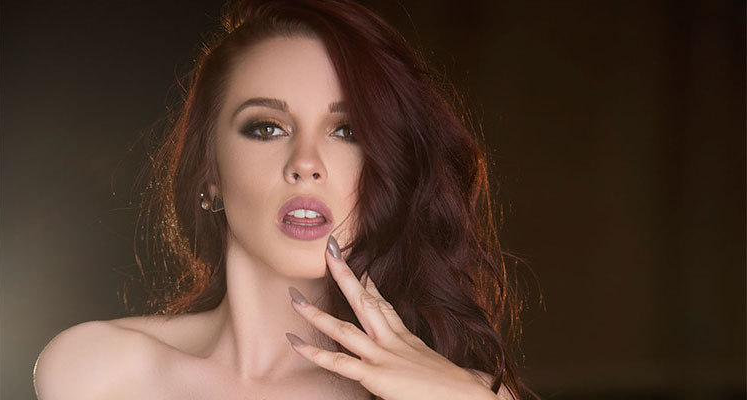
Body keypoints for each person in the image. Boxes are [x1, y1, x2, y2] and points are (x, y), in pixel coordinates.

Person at [33, 0, 537, 399]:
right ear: (210, 172)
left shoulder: (459, 393)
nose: (306, 162)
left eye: (348, 131)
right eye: (267, 127)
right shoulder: (98, 371)